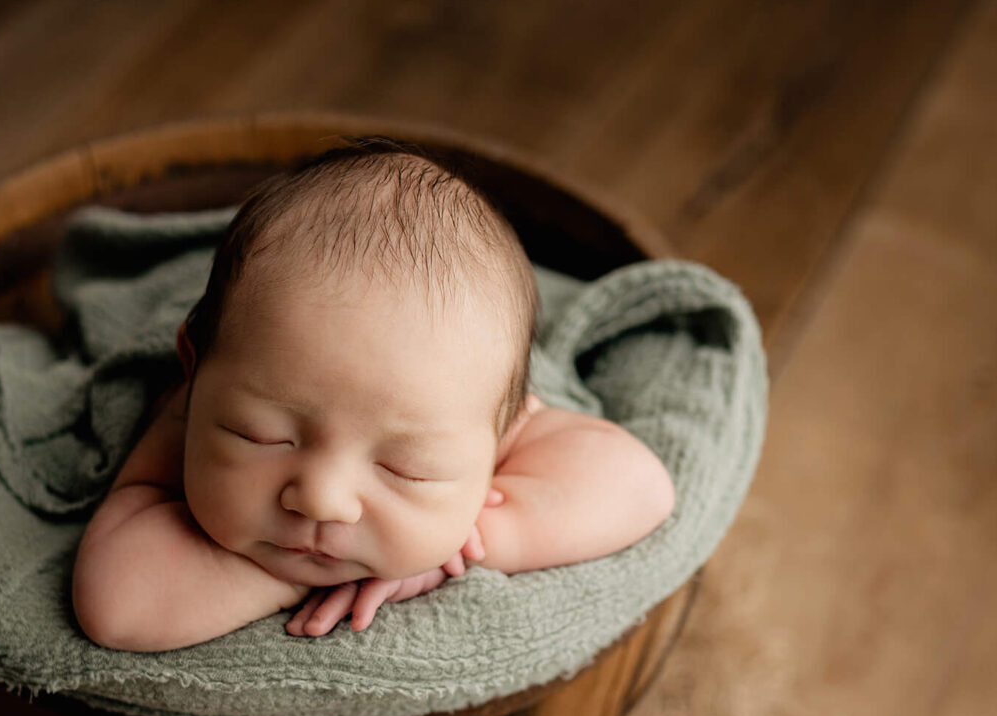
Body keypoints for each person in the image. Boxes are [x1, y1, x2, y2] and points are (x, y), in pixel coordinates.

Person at [72, 138, 675, 652]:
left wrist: (485, 537)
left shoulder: (457, 402)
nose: (322, 500)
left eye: (406, 469)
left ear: (503, 431)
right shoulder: (197, 405)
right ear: (194, 368)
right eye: (264, 436)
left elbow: (642, 485)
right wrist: (301, 580)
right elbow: (117, 608)